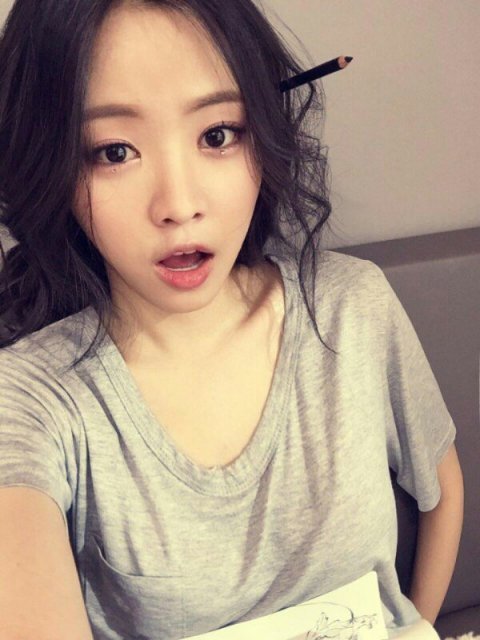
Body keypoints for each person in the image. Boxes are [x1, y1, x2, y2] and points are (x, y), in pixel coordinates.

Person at [0, 1, 464, 639]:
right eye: (114, 151)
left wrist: (419, 627)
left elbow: (442, 489)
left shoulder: (352, 307)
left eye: (218, 135)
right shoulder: (32, 398)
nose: (179, 204)